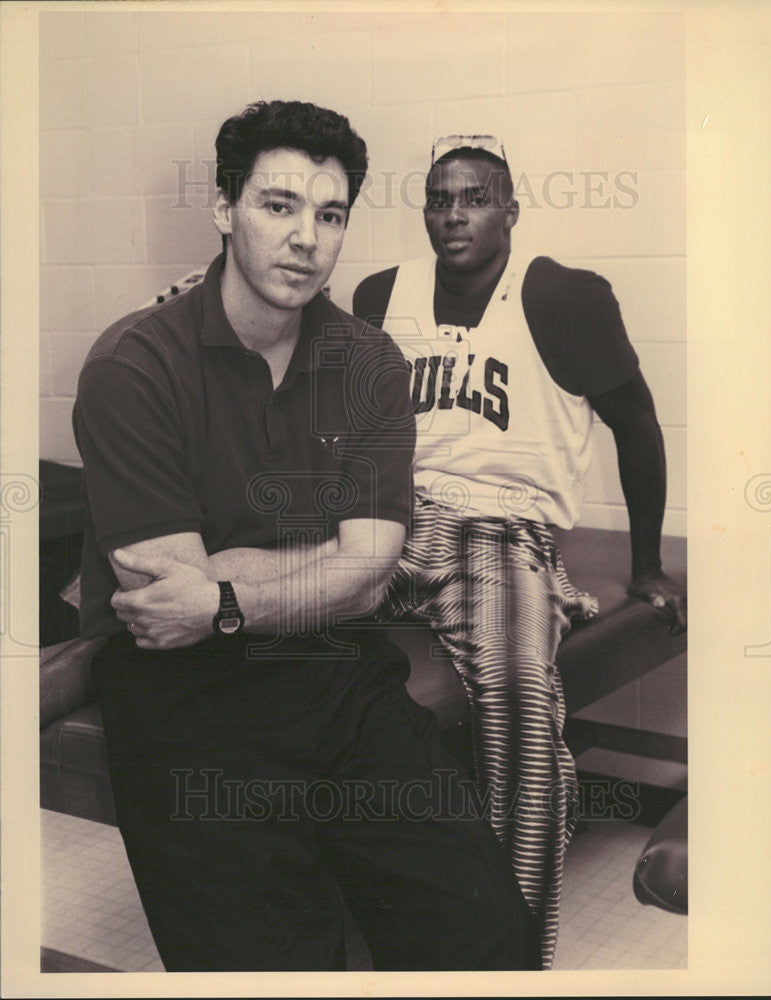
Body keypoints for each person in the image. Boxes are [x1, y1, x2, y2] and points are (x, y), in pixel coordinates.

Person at [72, 104, 542, 972]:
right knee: (275, 968)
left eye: (329, 216)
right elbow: (160, 595)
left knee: (488, 937)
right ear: (223, 209)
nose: (306, 239)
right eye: (277, 206)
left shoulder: (368, 364)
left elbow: (366, 579)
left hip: (338, 677)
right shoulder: (132, 366)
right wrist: (318, 566)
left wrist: (226, 589)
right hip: (184, 700)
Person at [352, 136, 688, 967]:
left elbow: (637, 423)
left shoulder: (561, 295)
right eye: (439, 199)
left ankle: (513, 956)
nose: (454, 214)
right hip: (390, 524)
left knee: (515, 704)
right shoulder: (378, 294)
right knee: (269, 626)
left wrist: (644, 564)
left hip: (498, 532)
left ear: (509, 208)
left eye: (473, 197)